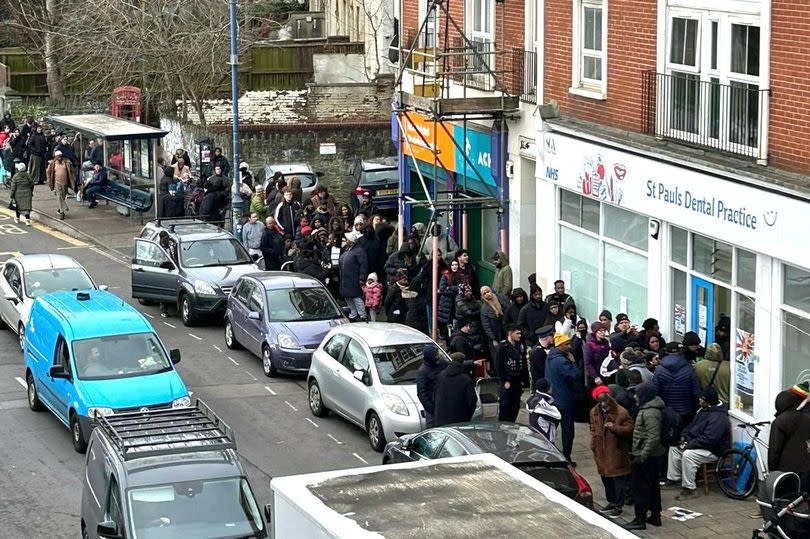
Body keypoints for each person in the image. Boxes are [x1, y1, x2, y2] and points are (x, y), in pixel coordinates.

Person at [665, 386, 730, 499]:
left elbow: (710, 439)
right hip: (699, 444)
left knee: (688, 455)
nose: (699, 400)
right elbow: (691, 426)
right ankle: (674, 478)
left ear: (708, 401)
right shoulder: (703, 410)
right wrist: (683, 436)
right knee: (674, 448)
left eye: (702, 398)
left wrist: (688, 445)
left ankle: (690, 489)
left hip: (714, 450)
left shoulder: (718, 417)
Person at [624, 382, 666, 530]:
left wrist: (642, 456)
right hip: (653, 455)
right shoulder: (649, 408)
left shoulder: (649, 412)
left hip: (647, 457)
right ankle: (655, 516)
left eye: (637, 393)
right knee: (653, 486)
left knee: (639, 488)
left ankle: (639, 519)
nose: (635, 396)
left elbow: (653, 437)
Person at [590, 384, 634, 519]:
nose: (604, 404)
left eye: (605, 401)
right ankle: (612, 501)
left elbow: (630, 429)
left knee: (618, 480)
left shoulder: (621, 412)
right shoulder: (594, 412)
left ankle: (618, 506)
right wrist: (593, 443)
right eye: (601, 401)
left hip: (616, 451)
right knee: (606, 478)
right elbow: (592, 427)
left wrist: (614, 428)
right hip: (601, 452)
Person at [768, 384, 810, 493]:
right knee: (801, 500)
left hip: (785, 470)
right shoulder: (807, 419)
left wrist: (772, 471)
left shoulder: (779, 421)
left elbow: (774, 450)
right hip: (805, 469)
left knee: (786, 500)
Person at [546, 332, 580, 462]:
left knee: (551, 430)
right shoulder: (562, 361)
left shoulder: (550, 357)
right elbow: (574, 376)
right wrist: (573, 362)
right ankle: (566, 457)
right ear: (559, 345)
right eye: (567, 344)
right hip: (564, 400)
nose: (569, 346)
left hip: (552, 399)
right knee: (567, 430)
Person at [654, 339, 701, 429]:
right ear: (680, 352)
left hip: (667, 410)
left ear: (666, 352)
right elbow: (696, 391)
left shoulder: (659, 370)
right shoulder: (688, 368)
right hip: (686, 410)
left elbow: (656, 392)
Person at [434, 352, 478, 427]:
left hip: (441, 419)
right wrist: (467, 415)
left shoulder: (441, 376)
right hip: (460, 419)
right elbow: (472, 401)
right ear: (463, 362)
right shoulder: (465, 379)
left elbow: (435, 395)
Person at [494, 324, 525, 422]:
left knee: (515, 407)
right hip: (507, 381)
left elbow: (522, 362)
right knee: (506, 408)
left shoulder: (519, 345)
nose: (519, 335)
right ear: (510, 333)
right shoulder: (502, 347)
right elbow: (498, 365)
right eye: (517, 333)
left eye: (520, 333)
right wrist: (504, 380)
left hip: (517, 381)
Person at [415, 345, 447, 428]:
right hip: (433, 409)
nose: (438, 356)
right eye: (436, 355)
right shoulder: (422, 372)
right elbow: (422, 394)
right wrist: (433, 409)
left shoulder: (442, 364)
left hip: (445, 404)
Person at [339, 233, 368, 321]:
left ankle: (362, 315)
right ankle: (353, 313)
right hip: (346, 279)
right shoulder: (347, 251)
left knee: (356, 297)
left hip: (354, 278)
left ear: (351, 241)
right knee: (348, 297)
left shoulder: (359, 251)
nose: (345, 240)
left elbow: (364, 265)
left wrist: (362, 278)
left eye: (346, 239)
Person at [526, 378, 560, 443]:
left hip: (535, 433)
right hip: (545, 435)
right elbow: (557, 416)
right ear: (547, 388)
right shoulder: (544, 403)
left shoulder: (532, 399)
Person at [480, 285, 508, 362]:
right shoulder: (484, 310)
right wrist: (493, 338)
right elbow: (487, 326)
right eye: (484, 293)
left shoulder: (501, 298)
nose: (487, 294)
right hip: (496, 334)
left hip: (506, 330)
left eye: (488, 291)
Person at [46, 150, 76, 220]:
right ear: (55, 157)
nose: (59, 158)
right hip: (57, 182)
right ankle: (62, 212)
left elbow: (72, 172)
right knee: (59, 196)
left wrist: (73, 180)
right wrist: (49, 181)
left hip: (65, 182)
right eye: (57, 157)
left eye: (60, 156)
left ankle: (60, 209)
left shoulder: (67, 162)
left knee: (63, 196)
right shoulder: (53, 163)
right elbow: (48, 172)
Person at [517, 283, 549, 349]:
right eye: (535, 295)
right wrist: (529, 335)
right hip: (531, 342)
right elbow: (520, 325)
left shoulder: (546, 306)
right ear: (531, 296)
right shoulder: (525, 309)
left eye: (539, 294)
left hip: (546, 339)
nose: (538, 296)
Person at [437, 259, 463, 337]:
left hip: (457, 303)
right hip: (447, 304)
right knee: (447, 324)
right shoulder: (445, 275)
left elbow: (463, 288)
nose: (454, 266)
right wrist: (456, 288)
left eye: (456, 265)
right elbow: (443, 289)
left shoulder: (461, 276)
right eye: (452, 265)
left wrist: (450, 288)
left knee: (456, 324)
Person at [584, 321, 611, 387]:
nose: (603, 333)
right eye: (600, 331)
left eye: (604, 331)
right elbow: (588, 363)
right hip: (596, 376)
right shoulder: (590, 344)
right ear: (595, 332)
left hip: (605, 373)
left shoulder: (606, 342)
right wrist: (595, 377)